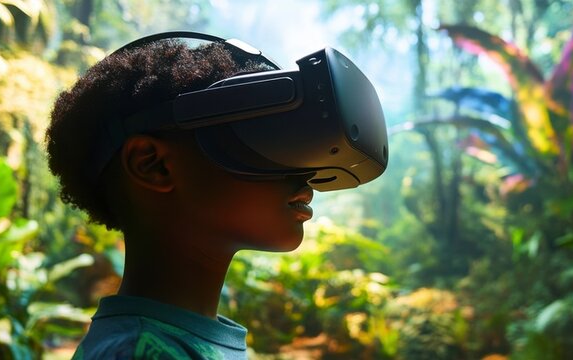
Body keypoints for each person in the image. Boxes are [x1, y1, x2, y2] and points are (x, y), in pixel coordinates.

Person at [46, 32, 386, 359]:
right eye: (262, 136)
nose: (304, 172)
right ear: (153, 165)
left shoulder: (173, 341)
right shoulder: (140, 352)